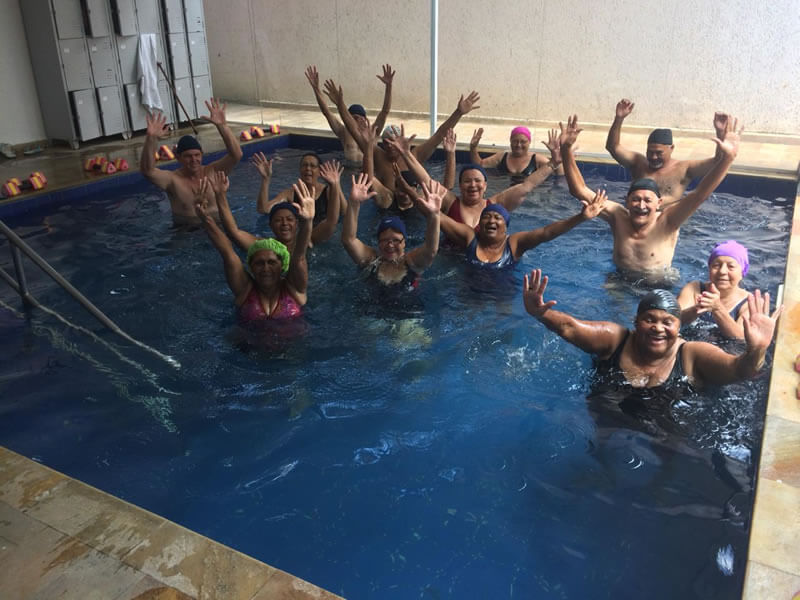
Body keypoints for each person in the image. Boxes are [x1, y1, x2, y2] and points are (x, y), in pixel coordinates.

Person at [523, 269, 782, 389]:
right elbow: (569, 327)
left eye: (668, 322)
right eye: (649, 319)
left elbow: (739, 370)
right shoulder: (615, 339)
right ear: (636, 322)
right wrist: (541, 313)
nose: (658, 328)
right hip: (607, 420)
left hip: (666, 435)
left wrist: (757, 350)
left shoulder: (692, 355)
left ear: (679, 327)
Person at [560, 114, 740, 284]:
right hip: (620, 280)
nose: (641, 205)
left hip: (659, 283)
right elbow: (579, 190)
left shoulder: (668, 221)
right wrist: (566, 149)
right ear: (627, 201)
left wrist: (728, 159)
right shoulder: (617, 215)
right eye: (636, 199)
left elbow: (699, 195)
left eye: (647, 200)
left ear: (659, 204)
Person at [323, 78, 480, 196]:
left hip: (412, 202)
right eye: (386, 142)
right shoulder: (377, 154)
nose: (390, 145)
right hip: (386, 203)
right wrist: (340, 104)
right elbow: (353, 130)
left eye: (394, 142)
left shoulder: (415, 155)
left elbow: (439, 135)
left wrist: (458, 113)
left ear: (402, 142)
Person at [387, 125, 562, 230]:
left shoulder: (496, 204)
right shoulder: (450, 202)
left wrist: (553, 163)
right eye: (467, 181)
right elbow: (426, 180)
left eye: (477, 181)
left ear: (485, 185)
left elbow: (527, 185)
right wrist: (406, 154)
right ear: (460, 185)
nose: (472, 185)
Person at [194, 177, 314, 323]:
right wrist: (205, 218)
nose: (266, 268)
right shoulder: (244, 289)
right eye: (259, 263)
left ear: (282, 265)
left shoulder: (294, 288)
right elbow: (226, 250)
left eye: (271, 262)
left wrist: (308, 221)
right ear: (250, 266)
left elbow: (299, 257)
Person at [439, 189, 607, 270]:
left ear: (506, 227)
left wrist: (580, 218)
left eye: (497, 218)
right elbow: (440, 219)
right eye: (486, 217)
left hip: (501, 299)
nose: (491, 220)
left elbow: (546, 233)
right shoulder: (470, 236)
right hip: (468, 296)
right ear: (480, 225)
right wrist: (431, 207)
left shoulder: (514, 243)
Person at [605, 99, 730, 205]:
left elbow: (718, 162)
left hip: (667, 221)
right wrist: (619, 118)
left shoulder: (683, 169)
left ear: (672, 148)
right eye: (650, 152)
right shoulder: (638, 163)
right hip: (636, 216)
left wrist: (720, 133)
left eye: (659, 153)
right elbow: (612, 147)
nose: (654, 157)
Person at [140, 98, 243, 225]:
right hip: (186, 231)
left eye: (197, 155)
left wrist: (222, 126)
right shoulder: (172, 180)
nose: (194, 160)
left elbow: (236, 155)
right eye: (188, 156)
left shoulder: (212, 171)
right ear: (178, 157)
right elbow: (147, 171)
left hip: (219, 226)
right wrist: (151, 139)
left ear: (202, 155)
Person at [341, 174, 444, 292]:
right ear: (378, 242)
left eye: (396, 240)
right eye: (385, 240)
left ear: (404, 243)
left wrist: (434, 215)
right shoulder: (371, 260)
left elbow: (431, 250)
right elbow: (348, 240)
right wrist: (353, 204)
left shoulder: (412, 262)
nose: (390, 245)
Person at [304, 64, 394, 164]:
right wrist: (316, 89)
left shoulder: (373, 132)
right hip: (349, 169)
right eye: (354, 118)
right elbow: (326, 112)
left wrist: (389, 86)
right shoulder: (343, 132)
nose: (357, 121)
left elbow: (385, 111)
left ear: (365, 119)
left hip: (369, 169)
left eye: (360, 118)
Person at [254, 152, 345, 243]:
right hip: (300, 237)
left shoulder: (329, 191)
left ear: (319, 171)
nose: (308, 168)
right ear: (300, 169)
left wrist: (336, 184)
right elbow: (263, 209)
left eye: (312, 166)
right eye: (304, 165)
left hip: (323, 234)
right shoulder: (290, 193)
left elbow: (345, 212)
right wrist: (266, 179)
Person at [677, 240, 751, 339]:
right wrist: (696, 309)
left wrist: (717, 308)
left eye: (731, 266)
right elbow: (672, 320)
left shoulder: (749, 302)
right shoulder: (694, 289)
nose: (722, 271)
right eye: (716, 265)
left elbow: (742, 338)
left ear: (742, 272)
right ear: (709, 269)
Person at [470, 126, 564, 183]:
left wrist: (555, 156)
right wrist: (473, 148)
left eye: (523, 142)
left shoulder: (537, 159)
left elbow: (560, 175)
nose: (518, 145)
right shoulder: (502, 156)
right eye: (515, 141)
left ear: (529, 142)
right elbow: (479, 165)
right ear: (510, 141)